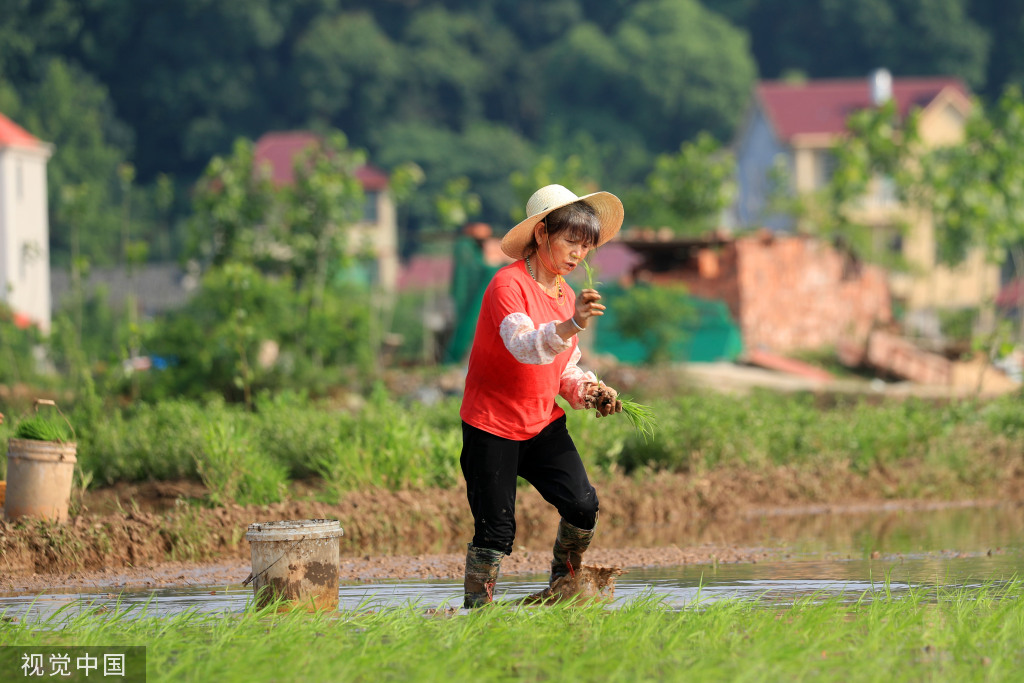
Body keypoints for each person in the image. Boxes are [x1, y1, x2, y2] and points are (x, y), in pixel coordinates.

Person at [459, 183, 625, 608]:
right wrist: (571, 324)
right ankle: (479, 615)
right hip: (492, 424)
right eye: (570, 241)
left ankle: (564, 585)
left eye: (585, 246)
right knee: (495, 532)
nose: (577, 254)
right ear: (541, 234)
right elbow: (526, 346)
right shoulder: (506, 286)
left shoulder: (566, 295)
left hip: (541, 421)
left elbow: (563, 367)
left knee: (583, 505)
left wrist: (591, 390)